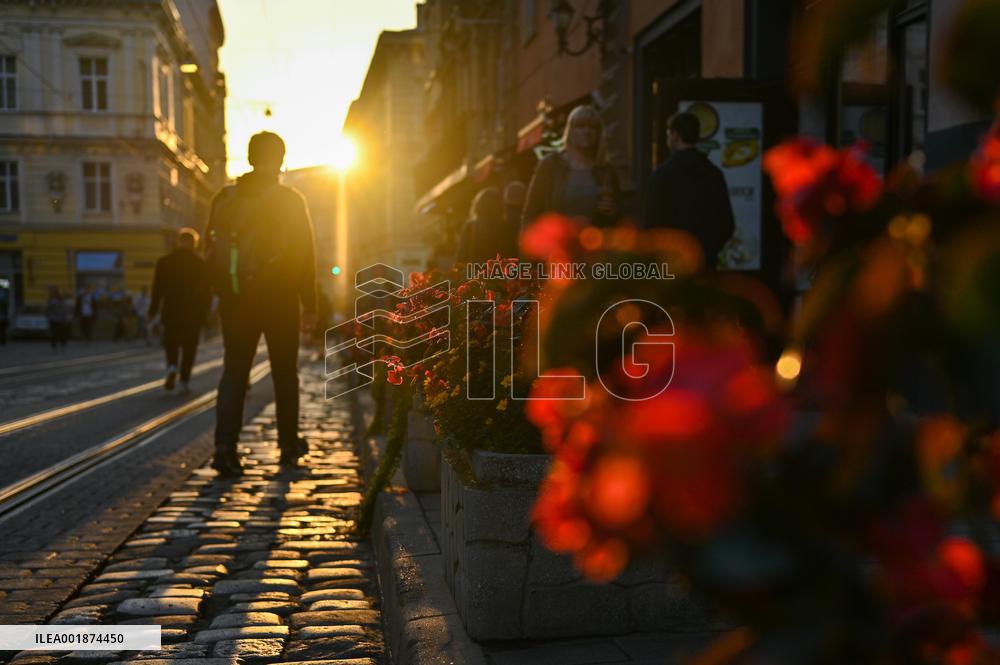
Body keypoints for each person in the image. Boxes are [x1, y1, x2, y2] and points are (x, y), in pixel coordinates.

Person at [205, 131, 317, 477]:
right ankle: (287, 447)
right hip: (280, 300)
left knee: (234, 373)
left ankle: (224, 448)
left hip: (236, 301)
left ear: (251, 158)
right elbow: (305, 255)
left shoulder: (224, 198)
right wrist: (310, 304)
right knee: (285, 374)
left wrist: (219, 293)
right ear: (280, 159)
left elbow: (209, 252)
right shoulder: (290, 200)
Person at [642, 111, 736, 270]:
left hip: (670, 265)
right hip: (705, 263)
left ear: (675, 135)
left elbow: (651, 225)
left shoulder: (661, 175)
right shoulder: (714, 174)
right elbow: (727, 223)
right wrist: (709, 250)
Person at [522, 105, 620, 230]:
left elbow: (618, 219)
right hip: (557, 245)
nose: (586, 131)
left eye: (592, 127)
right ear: (570, 131)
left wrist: (612, 212)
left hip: (593, 245)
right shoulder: (551, 165)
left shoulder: (606, 170)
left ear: (598, 134)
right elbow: (531, 212)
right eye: (580, 126)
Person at [149, 228, 211, 393]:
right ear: (194, 243)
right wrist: (207, 313)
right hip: (193, 312)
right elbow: (207, 290)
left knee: (171, 342)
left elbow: (157, 288)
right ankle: (184, 380)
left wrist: (153, 310)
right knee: (190, 347)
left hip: (171, 310)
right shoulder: (200, 264)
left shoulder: (165, 261)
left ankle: (171, 366)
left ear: (179, 242)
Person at [455, 187, 518, 264]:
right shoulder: (508, 229)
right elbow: (512, 255)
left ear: (478, 205)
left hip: (475, 272)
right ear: (500, 206)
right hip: (498, 273)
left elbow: (461, 256)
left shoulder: (470, 227)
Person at [46, 286, 72, 353]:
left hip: (59, 320)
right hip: (55, 320)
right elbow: (48, 310)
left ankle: (60, 347)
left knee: (59, 334)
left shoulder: (60, 300)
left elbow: (65, 310)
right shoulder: (51, 300)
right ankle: (57, 348)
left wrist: (65, 318)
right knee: (56, 334)